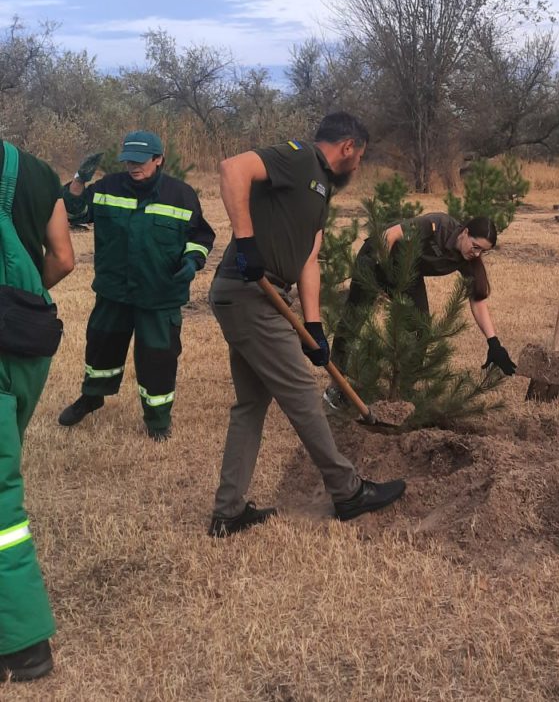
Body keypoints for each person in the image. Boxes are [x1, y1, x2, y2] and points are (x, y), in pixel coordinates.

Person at [208, 112, 405, 537]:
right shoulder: (300, 159)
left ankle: (228, 512)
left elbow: (309, 261)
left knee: (250, 404)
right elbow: (232, 169)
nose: (358, 167)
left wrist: (314, 329)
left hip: (266, 297)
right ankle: (348, 491)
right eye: (360, 157)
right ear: (348, 147)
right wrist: (245, 243)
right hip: (250, 295)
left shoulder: (320, 191)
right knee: (302, 396)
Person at [58, 132, 215, 441]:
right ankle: (92, 398)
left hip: (160, 295)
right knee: (100, 350)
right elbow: (71, 213)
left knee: (158, 360)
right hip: (113, 292)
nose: (133, 166)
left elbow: (200, 237)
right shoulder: (106, 188)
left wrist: (192, 262)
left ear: (158, 160)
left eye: (140, 161)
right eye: (128, 160)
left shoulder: (181, 194)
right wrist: (79, 180)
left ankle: (157, 421)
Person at [0, 142, 74, 682]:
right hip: (25, 347)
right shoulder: (37, 171)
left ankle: (24, 645)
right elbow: (64, 258)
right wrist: (18, 301)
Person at [325, 213, 515, 405]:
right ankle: (335, 386)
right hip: (377, 257)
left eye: (483, 251)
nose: (477, 254)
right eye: (475, 247)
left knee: (421, 329)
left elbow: (478, 300)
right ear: (465, 233)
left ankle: (403, 392)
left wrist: (494, 343)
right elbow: (389, 235)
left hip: (409, 270)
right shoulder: (438, 225)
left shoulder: (468, 258)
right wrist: (384, 276)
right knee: (353, 320)